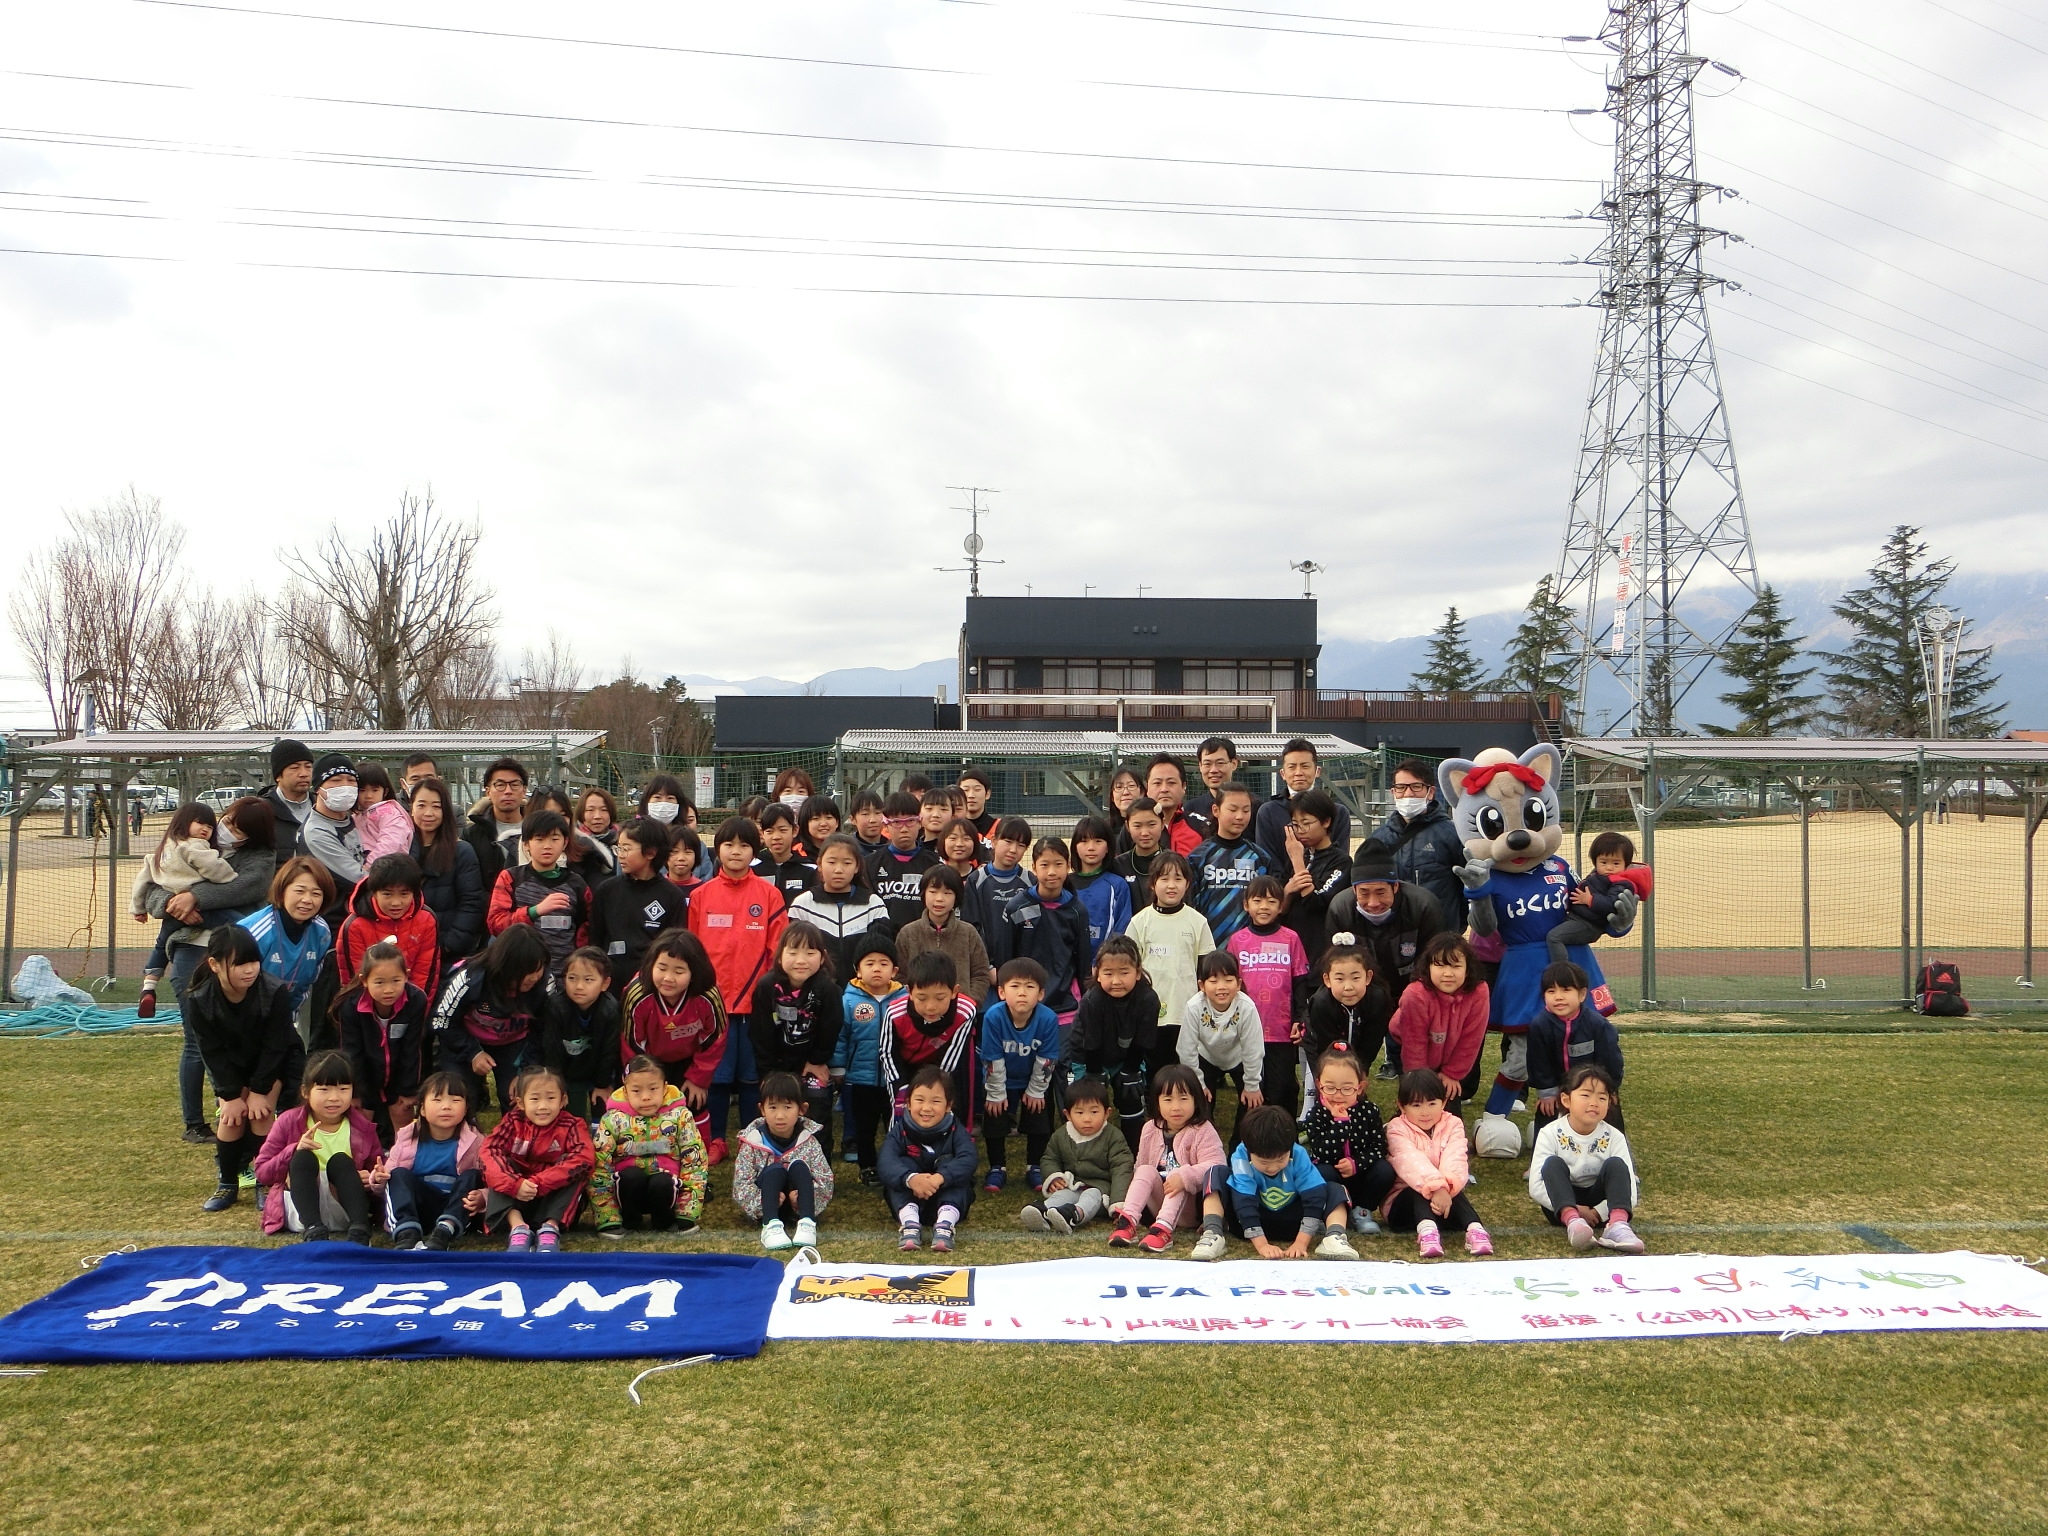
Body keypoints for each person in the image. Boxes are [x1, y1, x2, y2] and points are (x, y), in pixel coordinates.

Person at [155, 797, 278, 1105]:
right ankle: (194, 1121)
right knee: (195, 1040)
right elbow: (156, 888)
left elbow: (242, 889)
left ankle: (238, 1106)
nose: (225, 829)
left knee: (240, 1037)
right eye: (228, 820)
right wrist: (172, 905)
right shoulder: (188, 843)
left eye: (237, 828)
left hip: (233, 952)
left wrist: (194, 897)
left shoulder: (261, 858)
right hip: (188, 946)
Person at [691, 816, 789, 1158]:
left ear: (754, 850)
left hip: (754, 1005)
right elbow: (692, 951)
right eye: (729, 844)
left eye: (744, 845)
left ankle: (751, 1139)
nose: (736, 851)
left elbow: (777, 953)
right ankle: (716, 1139)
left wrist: (764, 993)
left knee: (750, 1076)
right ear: (717, 849)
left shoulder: (770, 895)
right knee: (717, 1076)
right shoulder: (701, 896)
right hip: (713, 1004)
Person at [189, 923, 305, 1211]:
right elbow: (211, 1051)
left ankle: (264, 1183)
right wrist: (229, 1095)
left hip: (275, 1062)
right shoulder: (199, 999)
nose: (250, 970)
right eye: (240, 964)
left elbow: (276, 1045)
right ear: (214, 964)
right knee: (231, 1117)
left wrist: (259, 1088)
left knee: (261, 1111)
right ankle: (227, 1183)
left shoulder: (274, 991)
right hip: (232, 1065)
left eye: (253, 961)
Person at [1323, 851, 1447, 1079]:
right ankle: (1349, 1077)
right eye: (1364, 893)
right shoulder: (1340, 908)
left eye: (1381, 892)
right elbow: (1335, 959)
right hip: (1364, 984)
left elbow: (1434, 960)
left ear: (1396, 887)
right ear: (1353, 891)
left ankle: (1416, 1082)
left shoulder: (1423, 905)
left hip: (1411, 980)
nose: (1373, 902)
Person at [252, 1050, 381, 1243]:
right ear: (305, 1091)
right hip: (302, 1211)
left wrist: (372, 1177)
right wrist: (294, 1150)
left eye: (343, 1089)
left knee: (340, 1161)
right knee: (303, 1157)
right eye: (324, 1089)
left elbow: (378, 1168)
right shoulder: (288, 1121)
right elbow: (262, 1172)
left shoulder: (362, 1126)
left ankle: (360, 1231)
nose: (334, 1098)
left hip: (344, 1208)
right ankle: (314, 1231)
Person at [620, 928, 725, 1151]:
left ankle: (698, 1158)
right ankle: (648, 1155)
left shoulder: (708, 995)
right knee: (648, 1104)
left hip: (689, 1059)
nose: (668, 978)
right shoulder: (637, 994)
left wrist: (699, 1077)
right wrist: (641, 1082)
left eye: (679, 971)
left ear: (694, 972)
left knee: (693, 1102)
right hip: (648, 1060)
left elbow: (715, 1037)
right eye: (662, 968)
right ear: (651, 965)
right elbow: (630, 1044)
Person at [1110, 1063, 1227, 1256]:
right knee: (1145, 1170)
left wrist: (1185, 1176)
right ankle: (1128, 1222)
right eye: (1168, 1099)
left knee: (1176, 1175)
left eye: (1183, 1098)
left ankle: (1163, 1232)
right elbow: (1140, 1170)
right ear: (1157, 1102)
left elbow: (1217, 1165)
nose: (1176, 1107)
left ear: (1196, 1101)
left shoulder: (1203, 1129)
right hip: (1159, 1203)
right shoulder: (1150, 1129)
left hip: (1190, 1208)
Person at [432, 924, 550, 1115]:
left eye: (540, 968)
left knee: (518, 1097)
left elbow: (542, 1031)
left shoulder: (544, 984)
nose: (535, 977)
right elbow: (442, 1020)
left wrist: (527, 1070)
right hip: (466, 1040)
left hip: (514, 1044)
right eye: (529, 971)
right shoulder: (470, 978)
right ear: (507, 968)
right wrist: (472, 1053)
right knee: (458, 1098)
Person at [132, 802, 237, 1015]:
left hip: (171, 912)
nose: (205, 830)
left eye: (210, 827)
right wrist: (233, 879)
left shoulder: (163, 849)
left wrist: (138, 907)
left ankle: (149, 986)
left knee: (161, 944)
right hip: (201, 906)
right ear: (183, 822)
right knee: (242, 924)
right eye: (200, 823)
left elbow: (142, 880)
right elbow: (215, 869)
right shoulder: (194, 847)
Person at [1527, 1064, 1643, 1252]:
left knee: (1617, 1165)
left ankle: (1618, 1225)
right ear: (1566, 1100)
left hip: (1601, 1207)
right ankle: (1573, 1223)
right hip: (1561, 1206)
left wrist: (1599, 1212)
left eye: (1602, 1097)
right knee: (1552, 1165)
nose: (1594, 1102)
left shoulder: (1615, 1136)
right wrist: (1577, 1211)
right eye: (1586, 1095)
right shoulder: (1549, 1133)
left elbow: (1629, 1188)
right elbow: (1537, 1185)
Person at [591, 1054, 708, 1238]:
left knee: (662, 1181)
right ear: (625, 1088)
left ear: (664, 1087)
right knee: (631, 1176)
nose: (646, 1097)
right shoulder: (612, 1119)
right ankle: (629, 1219)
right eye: (636, 1090)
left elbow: (695, 1164)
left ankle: (664, 1220)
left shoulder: (680, 1116)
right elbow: (599, 1169)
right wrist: (608, 1219)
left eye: (653, 1089)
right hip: (626, 1192)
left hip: (666, 1189)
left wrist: (687, 1214)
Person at [749, 922, 842, 1152]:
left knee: (817, 1102)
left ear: (822, 957)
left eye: (810, 953)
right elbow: (760, 1032)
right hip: (776, 1064)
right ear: (780, 956)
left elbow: (831, 1028)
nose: (801, 960)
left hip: (812, 1061)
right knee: (774, 1103)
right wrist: (768, 1073)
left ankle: (818, 1165)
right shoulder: (767, 986)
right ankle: (771, 1159)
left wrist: (818, 1060)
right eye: (793, 952)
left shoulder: (827, 989)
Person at [481, 1066, 595, 1252]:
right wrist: (515, 1185)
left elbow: (584, 1159)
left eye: (551, 1098)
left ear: (563, 1100)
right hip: (516, 1199)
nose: (543, 1106)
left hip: (553, 1201)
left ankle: (550, 1229)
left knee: (577, 1168)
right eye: (535, 1098)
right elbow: (489, 1152)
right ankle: (518, 1229)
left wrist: (537, 1183)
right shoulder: (512, 1122)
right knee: (500, 1166)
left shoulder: (572, 1125)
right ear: (521, 1102)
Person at [1224, 1103, 1359, 1260]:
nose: (1272, 1168)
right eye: (1264, 1162)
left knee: (1335, 1189)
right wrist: (1262, 1245)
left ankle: (1334, 1237)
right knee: (1217, 1174)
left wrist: (1301, 1242)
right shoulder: (1241, 1156)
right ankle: (1212, 1231)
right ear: (1248, 1150)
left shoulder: (1298, 1153)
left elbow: (1314, 1197)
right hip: (1254, 1220)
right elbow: (1244, 1201)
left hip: (1293, 1223)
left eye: (1281, 1159)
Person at [1225, 874, 1310, 1119]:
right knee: (1251, 1091)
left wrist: (1299, 1017)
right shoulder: (1237, 941)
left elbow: (1300, 981)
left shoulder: (1290, 938)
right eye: (1258, 900)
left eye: (1272, 901)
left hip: (1281, 1030)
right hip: (1247, 1030)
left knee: (1282, 1087)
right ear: (1246, 904)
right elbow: (1229, 986)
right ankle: (1247, 1142)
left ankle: (1285, 1137)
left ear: (1281, 905)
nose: (1264, 907)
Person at [332, 938, 430, 1146]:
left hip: (399, 1069)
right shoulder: (350, 1006)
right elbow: (352, 1053)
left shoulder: (417, 1000)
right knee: (362, 1123)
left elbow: (412, 1049)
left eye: (396, 981)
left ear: (407, 976)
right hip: (365, 1071)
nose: (388, 990)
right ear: (364, 980)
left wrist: (407, 1090)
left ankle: (402, 1163)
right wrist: (357, 1093)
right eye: (379, 982)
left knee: (402, 1112)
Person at [1384, 1068, 1491, 1257]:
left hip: (1444, 1202)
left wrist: (1445, 1188)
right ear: (1402, 1106)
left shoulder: (1454, 1124)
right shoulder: (1396, 1128)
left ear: (1444, 1102)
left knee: (1453, 1186)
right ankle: (1427, 1233)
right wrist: (1437, 1187)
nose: (1425, 1112)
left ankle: (1476, 1230)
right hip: (1402, 1208)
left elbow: (1456, 1158)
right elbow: (1410, 1162)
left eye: (1432, 1103)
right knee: (1420, 1188)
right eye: (1416, 1105)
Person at [1066, 935, 1160, 1149]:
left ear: (1137, 973)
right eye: (1108, 973)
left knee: (1131, 1096)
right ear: (1097, 974)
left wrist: (1131, 1070)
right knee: (1088, 1103)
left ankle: (1133, 1151)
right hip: (1088, 1056)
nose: (1116, 981)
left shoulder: (1148, 999)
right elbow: (1090, 1042)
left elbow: (1145, 1041)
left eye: (1124, 973)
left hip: (1127, 1054)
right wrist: (1094, 1074)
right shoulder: (1093, 1000)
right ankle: (1085, 1149)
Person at [985, 836, 1092, 1020]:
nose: (1052, 872)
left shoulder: (1077, 910)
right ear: (1034, 867)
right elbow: (1005, 960)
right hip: (1024, 1004)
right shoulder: (1016, 908)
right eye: (1044, 865)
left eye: (1058, 864)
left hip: (1066, 1006)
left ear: (1068, 866)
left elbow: (1083, 964)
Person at [979, 957, 1062, 1194]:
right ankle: (997, 1167)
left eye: (1030, 986)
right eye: (1015, 986)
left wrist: (1036, 1091)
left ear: (1041, 993)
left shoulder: (1047, 1018)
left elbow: (1047, 1059)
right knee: (994, 1117)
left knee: (1039, 1117)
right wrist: (996, 1093)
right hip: (1001, 1078)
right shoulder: (994, 1017)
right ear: (1002, 992)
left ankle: (1034, 1165)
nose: (1022, 993)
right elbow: (992, 1058)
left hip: (1033, 1077)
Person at [1123, 852, 1214, 1064]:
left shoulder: (1197, 922)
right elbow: (1130, 966)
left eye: (1178, 879)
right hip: (1150, 1012)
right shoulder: (1140, 922)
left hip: (1186, 1011)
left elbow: (1206, 967)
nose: (1171, 885)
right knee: (1155, 1068)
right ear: (1153, 883)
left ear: (1187, 883)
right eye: (1164, 879)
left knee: (1184, 1068)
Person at [381, 1070, 486, 1249]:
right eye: (437, 1100)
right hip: (421, 1206)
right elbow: (392, 1183)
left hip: (455, 1206)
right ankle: (407, 1231)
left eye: (455, 1100)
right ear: (421, 1108)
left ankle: (444, 1231)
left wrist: (483, 1197)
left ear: (466, 1108)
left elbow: (490, 1180)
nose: (446, 1107)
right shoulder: (407, 1137)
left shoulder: (476, 1141)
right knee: (397, 1174)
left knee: (472, 1175)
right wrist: (378, 1179)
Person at [1362, 758, 1470, 931]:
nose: (1408, 794)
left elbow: (1466, 885)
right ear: (1393, 792)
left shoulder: (1452, 834)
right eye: (1401, 787)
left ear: (1431, 792)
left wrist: (1456, 927)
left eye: (1416, 786)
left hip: (1439, 935)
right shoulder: (1379, 839)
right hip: (1395, 934)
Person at [879, 1064, 977, 1253]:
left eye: (936, 1101)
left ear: (948, 1105)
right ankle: (910, 1225)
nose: (926, 1108)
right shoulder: (899, 1131)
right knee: (901, 1169)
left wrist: (940, 1178)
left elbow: (969, 1159)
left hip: (947, 1198)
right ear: (908, 1103)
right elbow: (886, 1162)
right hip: (910, 1198)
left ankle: (945, 1226)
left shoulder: (956, 1130)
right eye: (920, 1100)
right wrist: (911, 1179)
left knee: (959, 1177)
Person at [734, 1070, 837, 1250]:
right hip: (768, 1203)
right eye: (773, 1107)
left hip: (797, 1204)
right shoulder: (752, 1141)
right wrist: (762, 1202)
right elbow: (741, 1185)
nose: (780, 1115)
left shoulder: (809, 1141)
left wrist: (805, 1199)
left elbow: (825, 1180)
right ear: (762, 1109)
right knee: (775, 1170)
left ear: (802, 1109)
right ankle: (770, 1224)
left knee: (799, 1166)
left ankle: (807, 1223)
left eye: (787, 1107)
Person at [1019, 1075, 1133, 1234]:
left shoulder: (1113, 1136)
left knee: (1091, 1196)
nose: (1087, 1119)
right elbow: (1050, 1158)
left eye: (1094, 1111)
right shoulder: (1061, 1135)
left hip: (1101, 1190)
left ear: (1107, 1113)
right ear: (1068, 1114)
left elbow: (1122, 1168)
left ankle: (1074, 1215)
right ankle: (1043, 1212)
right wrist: (1054, 1176)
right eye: (1079, 1112)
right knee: (1062, 1195)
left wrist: (1118, 1203)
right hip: (1073, 1184)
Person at [486, 808, 591, 980]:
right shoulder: (511, 878)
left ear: (565, 843)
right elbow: (495, 923)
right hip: (519, 975)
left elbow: (587, 929)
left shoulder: (577, 884)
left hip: (563, 978)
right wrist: (535, 911)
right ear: (526, 844)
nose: (547, 846)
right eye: (539, 839)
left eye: (554, 839)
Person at [588, 816, 690, 991]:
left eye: (626, 849)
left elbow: (674, 948)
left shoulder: (672, 896)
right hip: (610, 986)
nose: (620, 854)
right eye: (618, 848)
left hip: (651, 987)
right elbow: (595, 941)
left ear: (650, 853)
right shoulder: (606, 890)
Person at [1300, 1049, 1394, 1236]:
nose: (1338, 1095)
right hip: (1332, 1176)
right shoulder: (1316, 1115)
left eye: (1346, 1088)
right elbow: (1321, 1152)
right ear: (1319, 1085)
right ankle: (1329, 1211)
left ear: (1359, 1087)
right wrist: (1340, 1123)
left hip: (1361, 1176)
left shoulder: (1369, 1111)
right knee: (1320, 1172)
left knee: (1384, 1170)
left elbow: (1379, 1147)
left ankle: (1362, 1211)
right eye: (1331, 1087)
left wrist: (1356, 1164)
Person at [1390, 932, 1489, 1109]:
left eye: (1456, 966)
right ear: (1428, 967)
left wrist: (1452, 1074)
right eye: (1440, 965)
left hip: (1449, 1049)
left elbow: (1472, 1039)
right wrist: (1420, 1082)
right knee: (1418, 1101)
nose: (1448, 973)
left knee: (1449, 1108)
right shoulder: (1415, 995)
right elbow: (1414, 1044)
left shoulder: (1479, 992)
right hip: (1408, 1047)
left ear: (1468, 969)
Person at [1528, 961, 1626, 1134]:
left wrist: (1608, 1090)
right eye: (1551, 991)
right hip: (1557, 1090)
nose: (1558, 997)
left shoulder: (1598, 1025)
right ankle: (1544, 1153)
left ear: (1582, 995)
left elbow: (1611, 1060)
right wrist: (1547, 1093)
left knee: (1610, 1113)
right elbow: (1538, 1062)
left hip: (1595, 1087)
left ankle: (1617, 1154)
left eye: (1566, 990)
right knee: (1546, 1111)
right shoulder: (1539, 1025)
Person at [834, 933, 901, 1183]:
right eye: (869, 963)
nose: (876, 969)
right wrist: (839, 1067)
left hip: (894, 1079)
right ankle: (867, 1166)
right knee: (865, 1127)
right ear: (858, 970)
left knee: (894, 1124)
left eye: (883, 964)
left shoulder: (903, 999)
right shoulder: (849, 1001)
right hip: (860, 1078)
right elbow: (841, 1036)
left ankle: (895, 1164)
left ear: (894, 970)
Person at [237, 856, 335, 1024]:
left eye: (316, 893)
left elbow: (306, 984)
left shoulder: (322, 933)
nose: (307, 900)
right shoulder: (253, 931)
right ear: (282, 891)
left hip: (285, 1019)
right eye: (299, 891)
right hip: (244, 1019)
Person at [1179, 949, 1263, 1142]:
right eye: (1213, 980)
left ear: (1239, 983)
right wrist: (1199, 1083)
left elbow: (1253, 1049)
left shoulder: (1246, 1007)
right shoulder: (1194, 1007)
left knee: (1254, 1100)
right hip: (1206, 1056)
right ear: (1201, 985)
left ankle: (1239, 1146)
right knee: (1200, 1102)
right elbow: (1186, 1049)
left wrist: (1251, 1084)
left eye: (1228, 979)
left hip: (1238, 1057)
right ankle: (1208, 1143)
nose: (1221, 987)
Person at [880, 950, 979, 1116]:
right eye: (922, 998)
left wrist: (935, 1090)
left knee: (940, 1106)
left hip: (941, 1064)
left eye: (940, 998)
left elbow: (951, 1058)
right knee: (902, 1109)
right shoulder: (895, 1013)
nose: (931, 1006)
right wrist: (901, 1088)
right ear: (909, 992)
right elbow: (887, 1053)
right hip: (904, 1064)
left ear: (954, 991)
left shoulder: (966, 1011)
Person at [788, 833, 895, 984]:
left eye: (847, 863)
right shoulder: (802, 906)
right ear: (819, 864)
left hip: (862, 991)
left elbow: (881, 954)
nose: (838, 870)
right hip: (816, 990)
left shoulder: (873, 905)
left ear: (857, 866)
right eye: (831, 862)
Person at [539, 946, 624, 1124]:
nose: (579, 986)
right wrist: (557, 1086)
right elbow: (552, 1050)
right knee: (571, 1116)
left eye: (588, 979)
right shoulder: (556, 1007)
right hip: (568, 1071)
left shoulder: (610, 1009)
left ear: (605, 984)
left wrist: (602, 1084)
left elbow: (609, 1051)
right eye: (572, 978)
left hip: (598, 1069)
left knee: (603, 1112)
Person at [407, 776, 485, 969]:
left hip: (445, 954)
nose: (428, 813)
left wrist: (449, 946)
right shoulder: (401, 848)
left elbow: (472, 904)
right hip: (405, 951)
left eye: (436, 806)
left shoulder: (461, 851)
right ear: (411, 808)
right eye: (421, 805)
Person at [336, 853, 439, 995]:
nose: (396, 902)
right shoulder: (355, 926)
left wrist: (417, 1010)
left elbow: (425, 975)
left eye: (404, 894)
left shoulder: (427, 920)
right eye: (387, 894)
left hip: (412, 1006)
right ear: (374, 892)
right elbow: (353, 980)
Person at [1546, 830, 1653, 964]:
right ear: (1595, 861)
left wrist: (1590, 900)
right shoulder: (1597, 875)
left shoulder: (1622, 883)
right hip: (1576, 918)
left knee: (1554, 937)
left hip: (1589, 925)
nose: (1609, 867)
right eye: (1604, 862)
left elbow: (1612, 905)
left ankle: (1560, 970)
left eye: (1616, 863)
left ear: (1626, 864)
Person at [1186, 783, 1272, 944]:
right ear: (1216, 810)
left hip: (1250, 951)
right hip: (1206, 949)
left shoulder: (1260, 858)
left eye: (1246, 810)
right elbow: (1189, 907)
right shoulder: (1197, 858)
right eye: (1233, 810)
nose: (1240, 816)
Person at [1300, 935, 1394, 1081]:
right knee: (1328, 1086)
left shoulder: (1378, 999)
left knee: (1355, 1087)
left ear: (1368, 977)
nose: (1348, 987)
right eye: (1339, 979)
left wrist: (1362, 1071)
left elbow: (1372, 1041)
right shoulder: (1321, 1003)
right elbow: (1324, 1048)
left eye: (1356, 978)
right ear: (1327, 980)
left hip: (1358, 1043)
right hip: (1320, 1047)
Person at [1255, 738, 1354, 872]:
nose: (1298, 772)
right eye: (1292, 767)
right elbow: (1267, 861)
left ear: (1317, 771)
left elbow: (1340, 862)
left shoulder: (1338, 812)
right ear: (1283, 774)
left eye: (1305, 766)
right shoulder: (1268, 812)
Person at [1278, 788, 1353, 960]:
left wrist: (1298, 862)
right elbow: (1280, 908)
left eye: (1306, 823)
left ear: (1326, 821)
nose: (1301, 830)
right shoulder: (1298, 854)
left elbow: (1314, 903)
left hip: (1320, 950)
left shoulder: (1341, 862)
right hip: (1290, 949)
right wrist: (1288, 890)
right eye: (1295, 824)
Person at [893, 865, 991, 997]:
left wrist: (970, 1003)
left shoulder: (968, 933)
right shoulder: (908, 933)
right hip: (917, 1010)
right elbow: (899, 975)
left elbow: (981, 974)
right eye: (933, 891)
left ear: (956, 897)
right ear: (923, 893)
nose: (939, 898)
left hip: (961, 1011)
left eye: (947, 893)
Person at [299, 753, 365, 916]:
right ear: (318, 788)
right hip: (334, 923)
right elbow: (360, 878)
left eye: (351, 781)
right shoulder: (316, 832)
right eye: (336, 780)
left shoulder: (357, 820)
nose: (345, 786)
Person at [865, 791, 942, 929]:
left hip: (923, 940)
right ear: (886, 825)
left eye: (910, 821)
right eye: (896, 822)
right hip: (883, 940)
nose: (904, 829)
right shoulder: (870, 864)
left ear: (920, 822)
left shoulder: (935, 864)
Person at [1067, 815, 1132, 958]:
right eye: (1084, 841)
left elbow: (1122, 928)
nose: (1091, 847)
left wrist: (1103, 962)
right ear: (1075, 847)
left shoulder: (1117, 885)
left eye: (1098, 841)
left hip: (1104, 968)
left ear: (1108, 847)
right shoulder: (1064, 884)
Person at [528, 785, 616, 888]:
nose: (557, 821)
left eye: (563, 814)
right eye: (549, 814)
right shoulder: (512, 849)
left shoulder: (585, 852)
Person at [464, 756, 530, 893]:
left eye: (515, 784)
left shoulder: (538, 830)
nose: (508, 791)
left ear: (524, 790)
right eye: (500, 785)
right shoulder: (472, 834)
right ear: (488, 791)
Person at [963, 816, 1032, 932]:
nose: (1013, 850)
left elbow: (1030, 925)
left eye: (1021, 845)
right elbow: (970, 925)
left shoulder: (1030, 881)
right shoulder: (976, 880)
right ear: (994, 841)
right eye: (1008, 842)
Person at [753, 802, 817, 906]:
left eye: (782, 830)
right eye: (769, 831)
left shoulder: (809, 869)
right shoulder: (751, 867)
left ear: (795, 830)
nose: (776, 836)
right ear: (762, 833)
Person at [1141, 754, 1204, 856]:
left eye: (1171, 783)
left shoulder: (1200, 826)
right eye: (1157, 783)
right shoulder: (1135, 827)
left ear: (1183, 786)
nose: (1164, 789)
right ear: (1147, 787)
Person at [1111, 796, 1167, 908]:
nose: (1145, 832)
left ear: (1162, 824)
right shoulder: (1117, 866)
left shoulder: (1174, 864)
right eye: (1137, 826)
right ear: (1127, 826)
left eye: (1151, 825)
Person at [1182, 736, 1243, 841]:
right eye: (1207, 764)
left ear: (1234, 764)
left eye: (1220, 763)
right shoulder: (1191, 809)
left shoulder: (1254, 806)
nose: (1213, 770)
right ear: (1200, 766)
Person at [352, 763, 414, 864]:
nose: (369, 796)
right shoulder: (356, 816)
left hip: (390, 866)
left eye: (375, 790)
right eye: (362, 790)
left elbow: (392, 841)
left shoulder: (387, 812)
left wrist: (370, 863)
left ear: (385, 792)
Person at [260, 738, 315, 842]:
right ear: (278, 776)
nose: (304, 773)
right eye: (295, 768)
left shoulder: (323, 809)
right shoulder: (261, 813)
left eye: (308, 767)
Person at [795, 795, 843, 861]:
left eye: (829, 818)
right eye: (816, 818)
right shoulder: (795, 854)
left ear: (837, 822)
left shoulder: (847, 850)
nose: (823, 824)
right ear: (805, 823)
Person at [846, 788, 889, 860]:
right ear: (852, 819)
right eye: (865, 814)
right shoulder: (847, 849)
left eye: (878, 813)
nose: (873, 820)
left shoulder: (893, 848)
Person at [937, 815, 983, 881]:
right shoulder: (936, 877)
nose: (959, 844)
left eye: (966, 838)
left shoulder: (981, 878)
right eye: (953, 838)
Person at [959, 765, 997, 841]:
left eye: (977, 790)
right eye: (966, 790)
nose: (971, 795)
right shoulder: (951, 828)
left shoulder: (998, 828)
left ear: (987, 794)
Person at [1105, 766, 1143, 837]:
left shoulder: (1153, 826)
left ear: (1142, 792)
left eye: (1131, 786)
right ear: (1112, 797)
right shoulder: (1104, 829)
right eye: (1119, 787)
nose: (1125, 792)